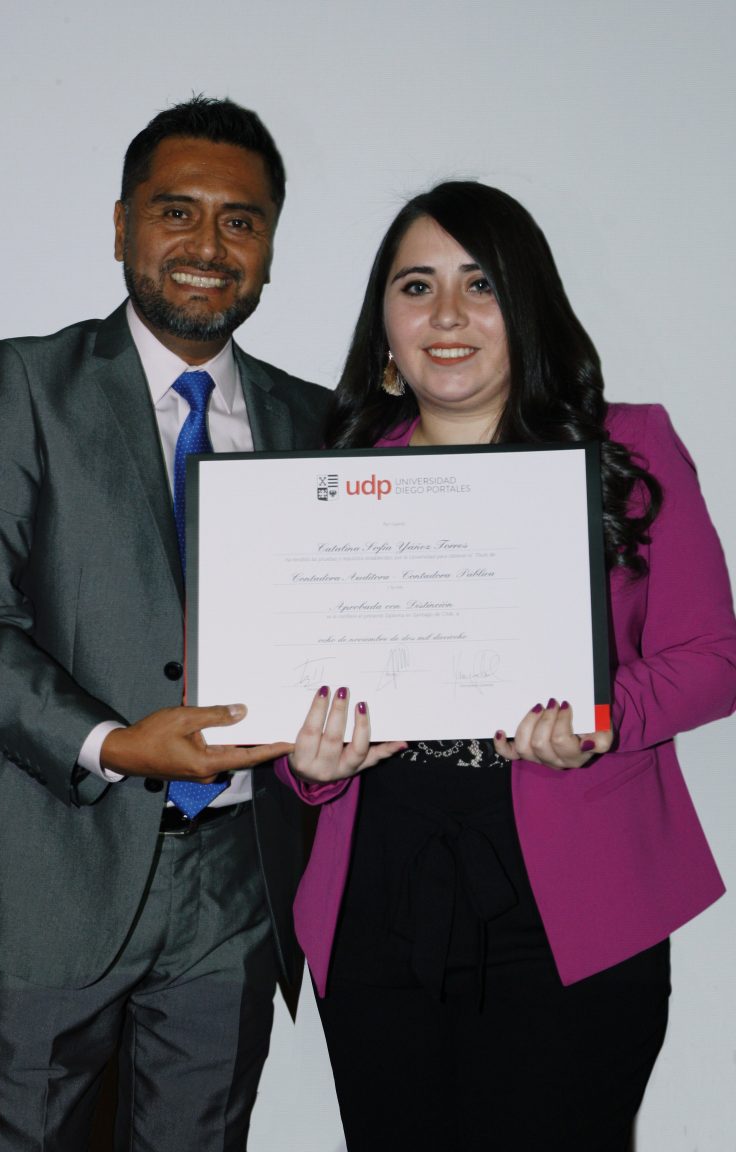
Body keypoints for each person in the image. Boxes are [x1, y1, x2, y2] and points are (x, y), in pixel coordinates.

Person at [278, 181, 736, 1151]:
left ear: (525, 307)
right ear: (385, 331)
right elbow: (282, 698)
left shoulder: (629, 447)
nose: (447, 314)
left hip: (576, 904)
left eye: (479, 283)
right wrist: (307, 766)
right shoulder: (329, 476)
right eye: (417, 286)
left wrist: (601, 714)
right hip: (376, 901)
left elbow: (714, 658)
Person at [0, 95, 370, 1152]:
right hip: (49, 870)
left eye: (240, 220)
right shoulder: (25, 382)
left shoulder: (315, 420)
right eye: (175, 211)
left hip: (236, 884)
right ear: (122, 226)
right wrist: (115, 743)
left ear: (270, 246)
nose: (207, 245)